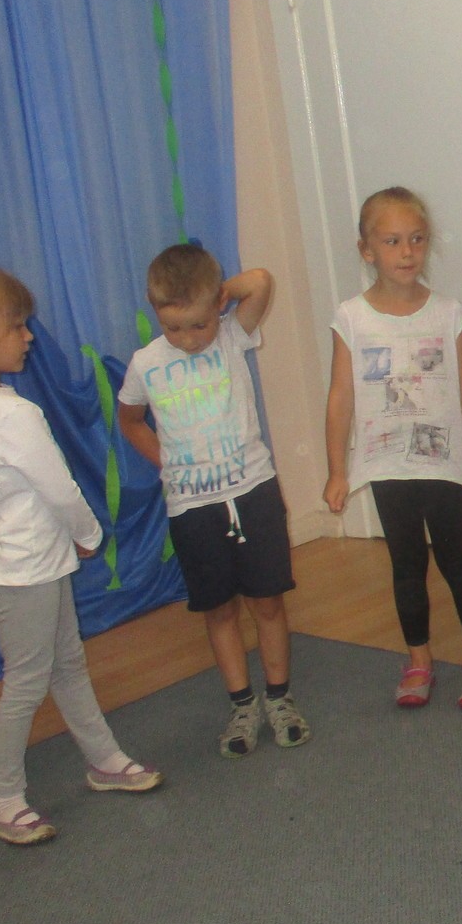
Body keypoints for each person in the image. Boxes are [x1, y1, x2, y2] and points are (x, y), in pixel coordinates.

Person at [0, 263, 161, 845]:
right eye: (16, 326)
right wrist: (89, 535)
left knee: (66, 664)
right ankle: (5, 799)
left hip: (25, 561)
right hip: (21, 568)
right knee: (26, 681)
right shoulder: (10, 414)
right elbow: (59, 489)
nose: (28, 337)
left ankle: (104, 759)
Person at [118, 246, 305, 758]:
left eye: (198, 324)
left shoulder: (230, 335)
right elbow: (130, 419)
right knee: (219, 610)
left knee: (267, 601)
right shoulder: (146, 364)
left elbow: (260, 281)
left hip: (253, 493)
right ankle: (242, 705)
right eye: (173, 328)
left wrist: (218, 297)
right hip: (192, 509)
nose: (188, 339)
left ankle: (279, 697)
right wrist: (164, 461)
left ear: (217, 308)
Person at [324, 187, 462, 709]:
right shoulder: (351, 318)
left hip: (442, 460)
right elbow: (340, 396)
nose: (407, 252)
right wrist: (337, 470)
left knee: (455, 559)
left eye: (417, 240)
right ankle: (418, 659)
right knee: (406, 564)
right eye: (392, 241)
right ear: (367, 250)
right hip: (386, 461)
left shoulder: (448, 313)